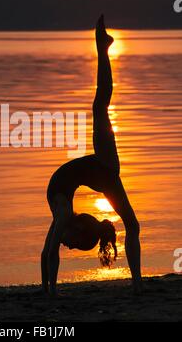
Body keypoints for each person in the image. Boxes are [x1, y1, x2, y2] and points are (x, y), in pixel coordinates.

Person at [41, 15, 142, 296]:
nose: (67, 245)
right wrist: (48, 290)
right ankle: (103, 47)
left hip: (104, 172)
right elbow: (49, 253)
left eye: (71, 245)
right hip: (104, 166)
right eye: (73, 244)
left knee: (133, 225)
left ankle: (137, 285)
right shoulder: (62, 213)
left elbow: (47, 253)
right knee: (100, 105)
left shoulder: (61, 213)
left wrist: (48, 291)